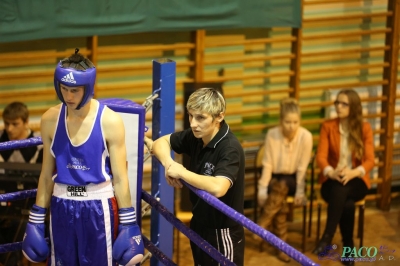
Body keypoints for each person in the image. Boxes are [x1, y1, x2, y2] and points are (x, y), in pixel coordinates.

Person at [21, 49, 144, 266]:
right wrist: (37, 217)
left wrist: (128, 222)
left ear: (88, 88)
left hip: (98, 206)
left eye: (75, 90)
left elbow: (120, 177)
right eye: (64, 89)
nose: (68, 96)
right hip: (61, 205)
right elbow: (46, 175)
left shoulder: (110, 121)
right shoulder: (50, 119)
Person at [151, 88, 245, 266]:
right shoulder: (196, 136)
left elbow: (219, 187)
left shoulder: (229, 148)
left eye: (200, 117)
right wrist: (168, 164)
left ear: (219, 117)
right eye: (190, 116)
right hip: (199, 223)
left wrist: (181, 172)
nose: (193, 123)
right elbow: (160, 143)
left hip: (222, 231)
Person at [312, 89, 375, 266]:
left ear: (353, 107)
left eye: (344, 104)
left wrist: (353, 173)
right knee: (345, 201)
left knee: (343, 189)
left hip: (356, 180)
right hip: (331, 180)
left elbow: (370, 160)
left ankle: (327, 237)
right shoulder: (328, 126)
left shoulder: (365, 128)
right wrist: (331, 172)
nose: (338, 107)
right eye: (337, 103)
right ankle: (348, 247)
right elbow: (321, 158)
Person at [256, 98, 312, 262]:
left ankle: (262, 225)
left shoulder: (306, 137)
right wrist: (261, 189)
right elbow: (267, 165)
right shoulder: (272, 134)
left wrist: (301, 191)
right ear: (281, 121)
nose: (291, 126)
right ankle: (282, 247)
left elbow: (302, 168)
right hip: (276, 180)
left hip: (295, 180)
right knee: (279, 200)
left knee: (283, 185)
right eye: (287, 122)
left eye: (295, 122)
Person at [0, 102, 43, 266]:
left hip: (29, 204)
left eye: (15, 124)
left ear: (26, 122)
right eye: (7, 123)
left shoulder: (38, 143)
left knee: (20, 223)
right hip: (3, 200)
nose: (10, 129)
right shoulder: (1, 140)